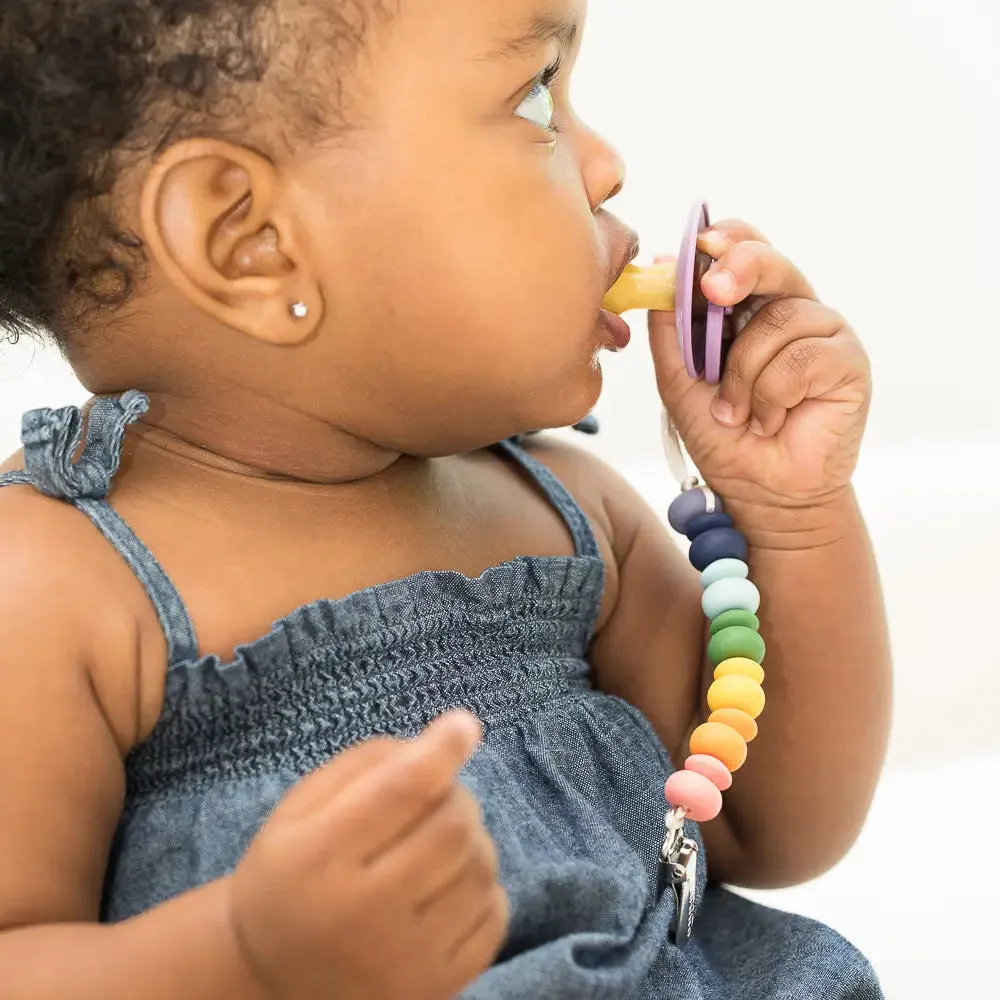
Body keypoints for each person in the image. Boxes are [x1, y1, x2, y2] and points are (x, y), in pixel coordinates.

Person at [0, 0, 892, 997]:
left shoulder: (562, 513)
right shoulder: (54, 587)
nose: (605, 166)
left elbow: (766, 824)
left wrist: (795, 515)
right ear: (250, 241)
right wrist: (240, 955)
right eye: (535, 99)